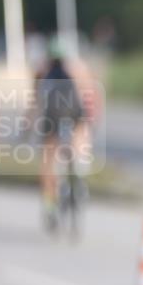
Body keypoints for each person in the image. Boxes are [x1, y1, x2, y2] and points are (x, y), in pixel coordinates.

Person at [33, 38, 87, 231]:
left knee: (47, 166)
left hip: (52, 119)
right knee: (78, 144)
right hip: (75, 114)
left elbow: (35, 103)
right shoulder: (76, 69)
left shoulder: (42, 72)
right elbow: (87, 95)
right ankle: (79, 173)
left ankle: (50, 206)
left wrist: (26, 126)